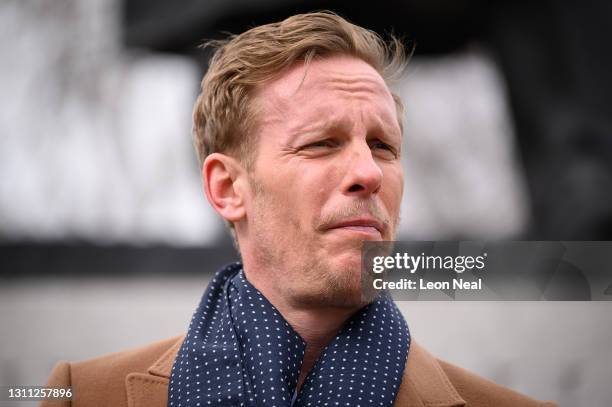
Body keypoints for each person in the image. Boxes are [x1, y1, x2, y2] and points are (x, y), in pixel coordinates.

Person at [42, 11, 557, 407]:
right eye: (321, 144)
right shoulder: (82, 395)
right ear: (227, 188)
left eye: (383, 147)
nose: (369, 172)